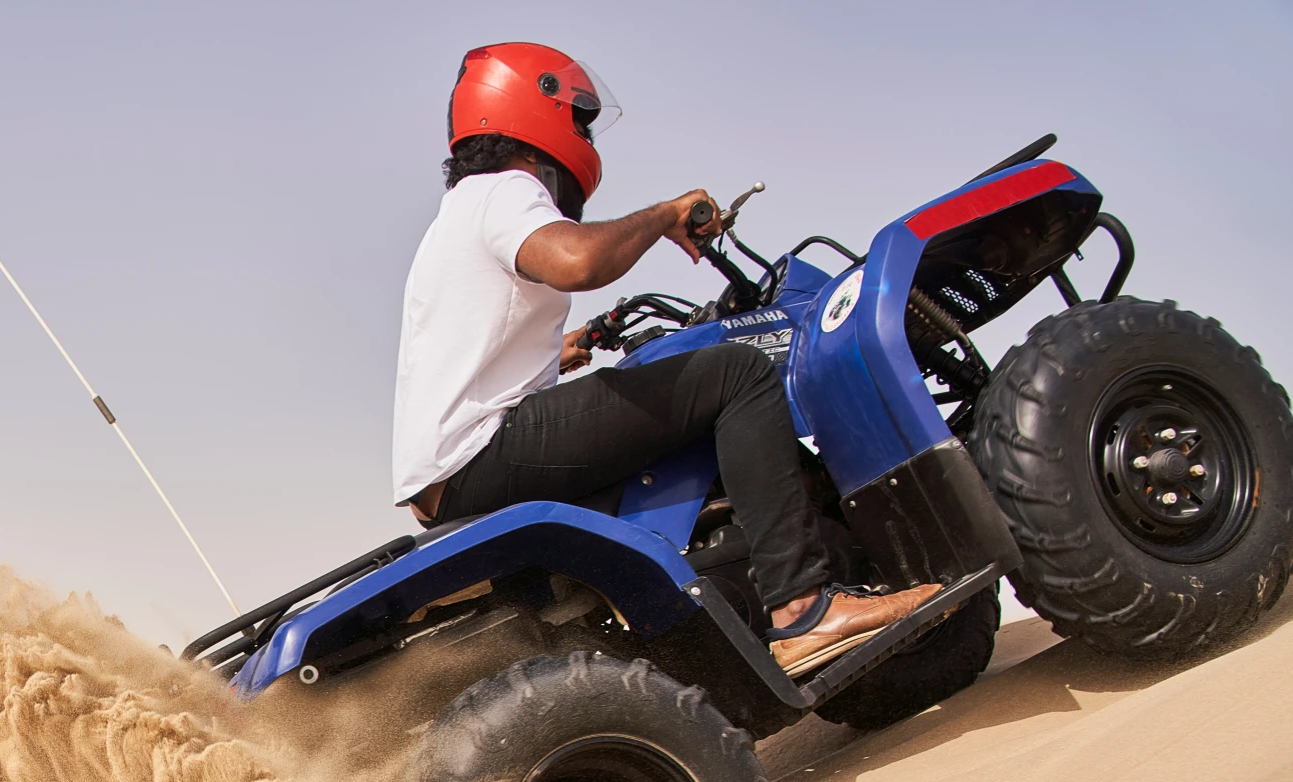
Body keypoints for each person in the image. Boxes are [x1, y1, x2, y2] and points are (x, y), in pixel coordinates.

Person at [392, 42, 939, 672]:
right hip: (483, 452)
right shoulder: (506, 189)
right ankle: (804, 607)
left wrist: (571, 347)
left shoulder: (459, 212)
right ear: (536, 110)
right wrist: (665, 214)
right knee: (737, 373)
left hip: (450, 476)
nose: (584, 135)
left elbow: (483, 338)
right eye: (579, 118)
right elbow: (579, 262)